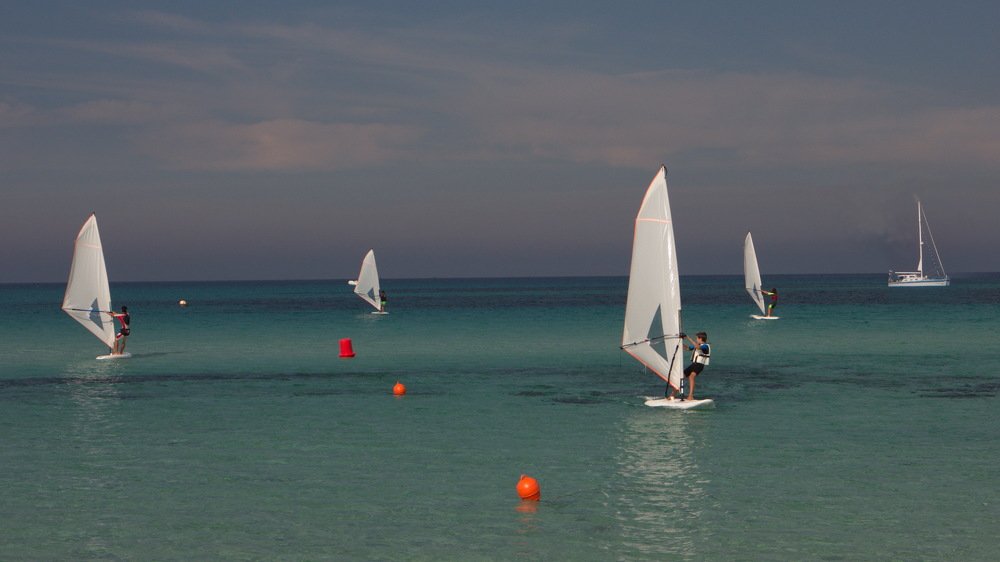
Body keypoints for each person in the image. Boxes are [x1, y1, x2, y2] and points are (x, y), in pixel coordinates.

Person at [667, 331, 710, 401]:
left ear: (700, 339)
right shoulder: (697, 345)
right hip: (693, 365)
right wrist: (679, 343)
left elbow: (697, 347)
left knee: (691, 376)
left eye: (697, 338)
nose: (696, 339)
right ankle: (672, 395)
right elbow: (687, 348)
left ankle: (691, 396)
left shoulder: (706, 346)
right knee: (680, 377)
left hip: (699, 365)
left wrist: (687, 337)